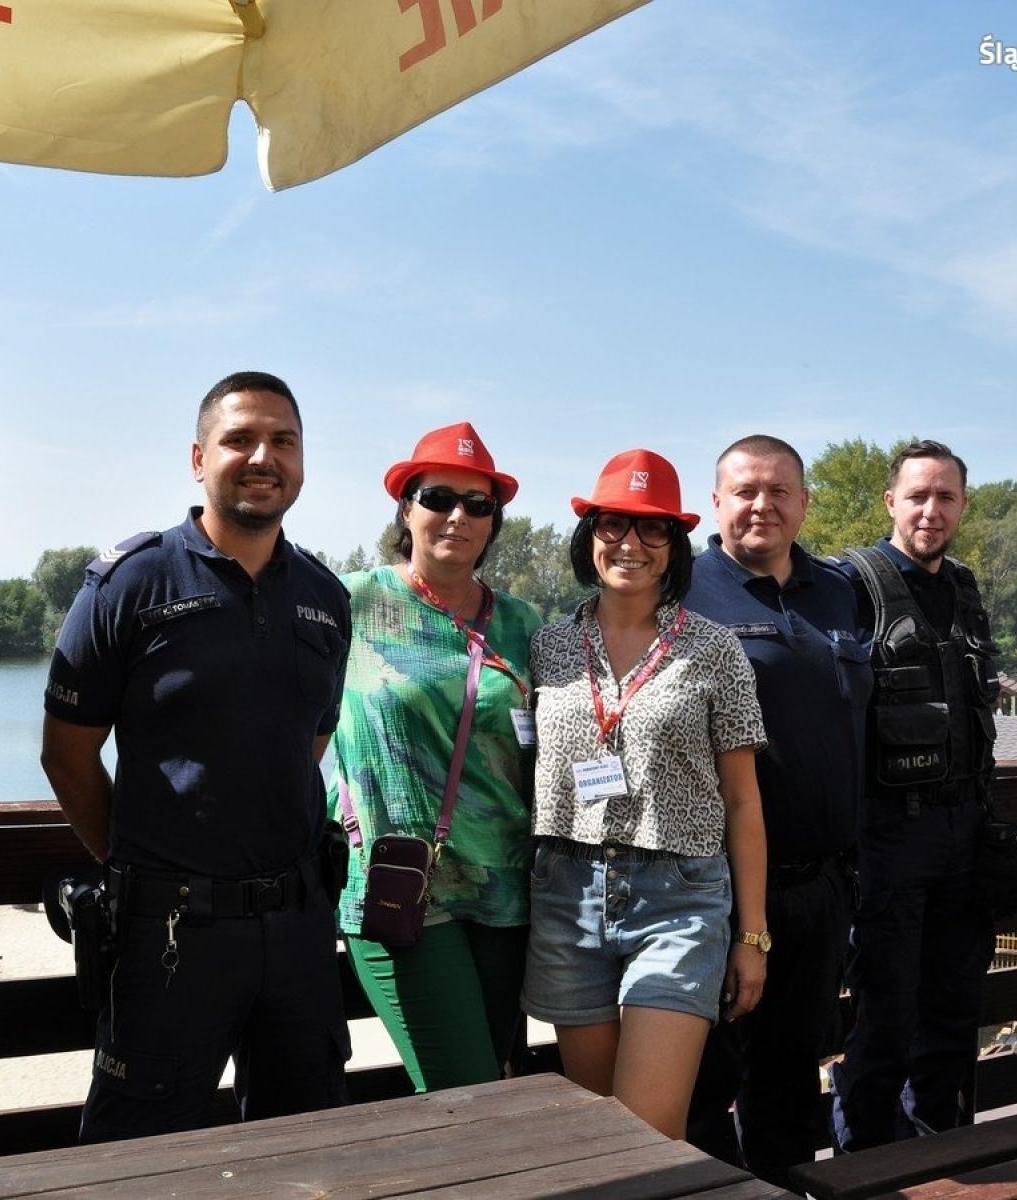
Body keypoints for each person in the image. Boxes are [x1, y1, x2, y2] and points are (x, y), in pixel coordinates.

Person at [41, 370, 352, 1141]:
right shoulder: (130, 583)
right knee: (134, 1159)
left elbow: (309, 740)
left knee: (307, 1148)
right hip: (171, 935)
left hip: (300, 927)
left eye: (283, 440)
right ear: (197, 457)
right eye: (239, 438)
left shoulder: (323, 593)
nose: (262, 456)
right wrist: (142, 866)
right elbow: (66, 754)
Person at [522, 448, 769, 1140]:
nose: (628, 543)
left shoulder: (716, 650)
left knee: (647, 1134)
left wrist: (752, 936)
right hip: (568, 892)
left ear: (674, 546)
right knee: (598, 1136)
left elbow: (745, 802)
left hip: (679, 896)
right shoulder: (547, 646)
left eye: (651, 529)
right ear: (588, 535)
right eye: (611, 524)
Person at [327, 422, 542, 1093]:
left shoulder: (525, 625)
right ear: (406, 509)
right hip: (397, 889)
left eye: (478, 505)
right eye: (439, 498)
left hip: (506, 891)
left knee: (495, 1085)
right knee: (466, 1089)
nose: (458, 516)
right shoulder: (348, 602)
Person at [683, 436, 870, 1185]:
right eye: (745, 491)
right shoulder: (682, 590)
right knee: (705, 1089)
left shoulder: (839, 591)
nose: (762, 504)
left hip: (821, 886)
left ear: (804, 503)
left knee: (793, 1081)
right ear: (718, 501)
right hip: (715, 889)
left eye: (779, 490)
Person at [829, 439, 1000, 1152]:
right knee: (886, 1020)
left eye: (946, 497)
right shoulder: (850, 584)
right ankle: (864, 1167)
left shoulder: (963, 588)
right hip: (890, 840)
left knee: (956, 1017)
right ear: (891, 502)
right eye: (918, 495)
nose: (932, 510)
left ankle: (943, 1152)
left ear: (962, 505)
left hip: (967, 833)